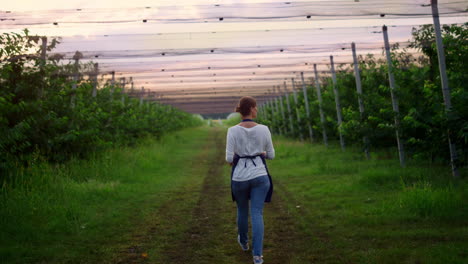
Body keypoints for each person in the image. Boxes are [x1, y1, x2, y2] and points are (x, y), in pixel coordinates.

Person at [226, 96, 275, 264]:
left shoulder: (232, 130)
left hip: (239, 176)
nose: (257, 110)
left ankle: (244, 242)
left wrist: (237, 157)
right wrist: (261, 153)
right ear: (252, 108)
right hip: (260, 175)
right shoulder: (264, 129)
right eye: (256, 107)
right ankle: (258, 255)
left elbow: (228, 158)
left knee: (242, 210)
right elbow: (271, 155)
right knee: (257, 213)